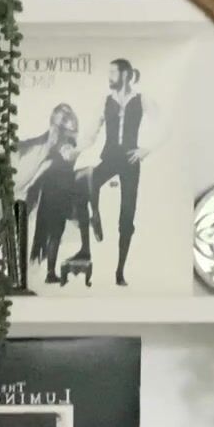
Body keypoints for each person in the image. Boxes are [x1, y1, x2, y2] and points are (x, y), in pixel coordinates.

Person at [78, 58, 165, 286]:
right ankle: (95, 215)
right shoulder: (105, 101)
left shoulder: (142, 99)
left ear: (125, 75)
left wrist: (146, 149)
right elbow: (90, 134)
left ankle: (119, 271)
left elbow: (165, 125)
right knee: (89, 178)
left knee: (127, 217)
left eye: (113, 73)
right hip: (110, 157)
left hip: (129, 161)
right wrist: (75, 149)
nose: (109, 77)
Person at [15, 104, 93, 284]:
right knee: (53, 234)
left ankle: (49, 273)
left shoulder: (64, 148)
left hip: (59, 194)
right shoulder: (57, 151)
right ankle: (47, 272)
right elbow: (45, 167)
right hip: (55, 194)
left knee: (54, 234)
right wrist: (31, 185)